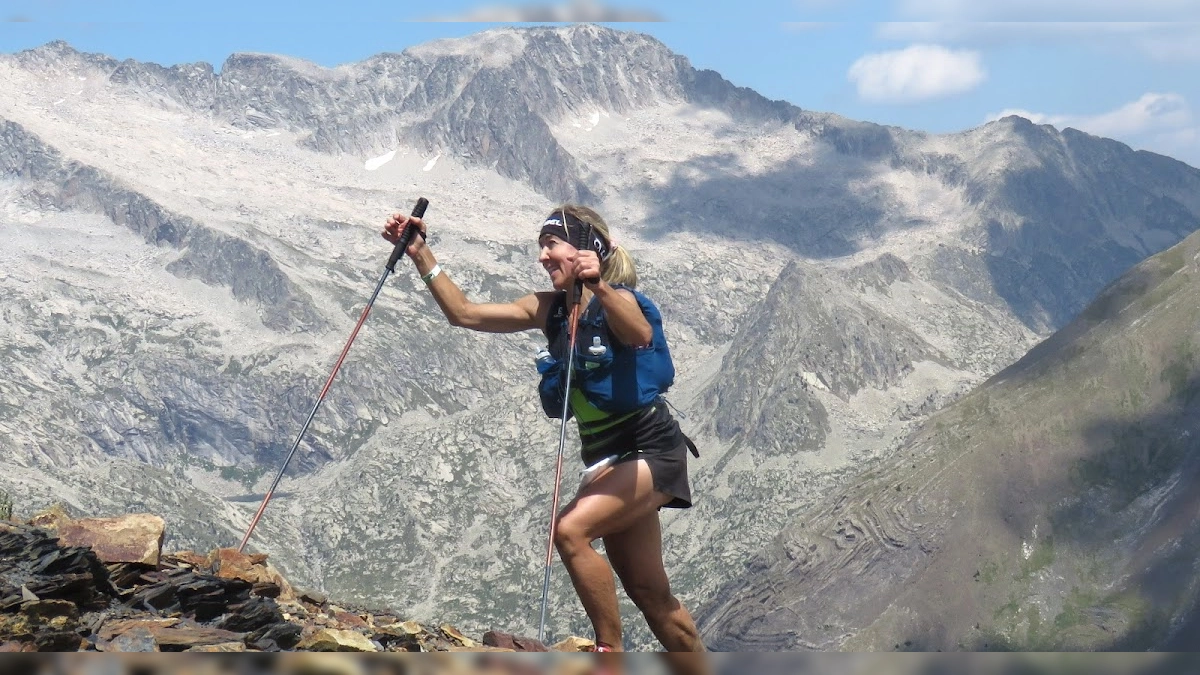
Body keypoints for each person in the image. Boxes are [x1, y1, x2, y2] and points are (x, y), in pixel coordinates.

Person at [382, 204, 705, 653]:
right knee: (651, 594)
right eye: (541, 247)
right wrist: (420, 254)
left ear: (588, 249)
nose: (543, 256)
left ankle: (606, 653)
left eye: (551, 245)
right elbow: (465, 314)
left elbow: (638, 335)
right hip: (609, 460)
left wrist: (599, 288)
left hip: (651, 449)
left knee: (570, 531)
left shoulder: (621, 299)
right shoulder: (549, 309)